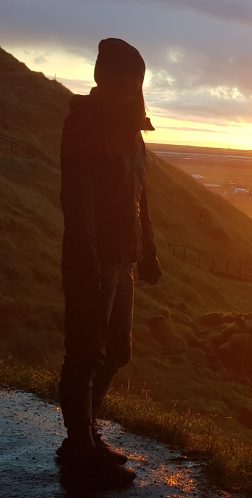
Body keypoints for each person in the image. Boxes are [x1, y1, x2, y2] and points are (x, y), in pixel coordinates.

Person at [56, 38, 161, 488]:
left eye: (137, 79)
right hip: (94, 261)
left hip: (125, 259)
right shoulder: (84, 124)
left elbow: (139, 195)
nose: (133, 87)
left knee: (116, 352)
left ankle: (86, 435)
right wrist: (88, 265)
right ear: (105, 77)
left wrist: (149, 252)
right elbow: (77, 203)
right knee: (85, 353)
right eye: (125, 78)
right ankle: (80, 448)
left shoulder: (131, 130)